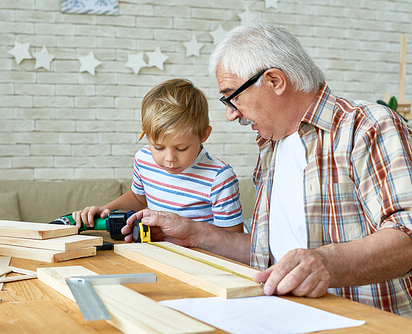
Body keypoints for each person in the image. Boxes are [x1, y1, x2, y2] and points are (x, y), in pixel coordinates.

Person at [122, 22, 412, 318]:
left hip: (367, 321)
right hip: (281, 315)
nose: (231, 113)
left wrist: (327, 263)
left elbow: (408, 236)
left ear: (274, 80)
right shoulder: (270, 147)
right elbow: (265, 255)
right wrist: (193, 233)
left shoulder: (367, 127)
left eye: (232, 96)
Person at [73, 78, 244, 234]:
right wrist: (105, 210)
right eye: (158, 147)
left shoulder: (220, 178)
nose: (169, 158)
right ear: (146, 135)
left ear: (204, 135)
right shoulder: (143, 159)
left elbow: (232, 239)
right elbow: (138, 198)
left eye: (182, 148)